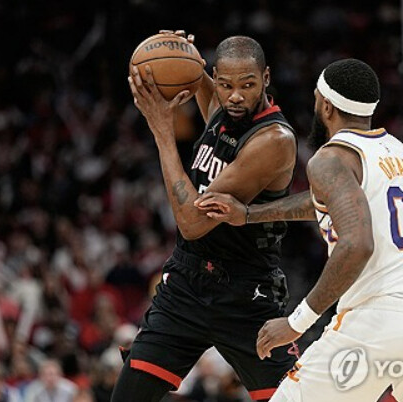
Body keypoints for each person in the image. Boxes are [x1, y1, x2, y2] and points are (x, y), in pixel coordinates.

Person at [195, 59, 403, 401]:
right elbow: (332, 203)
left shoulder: (330, 159)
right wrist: (250, 214)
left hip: (380, 320)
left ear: (326, 105)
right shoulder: (398, 151)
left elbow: (357, 244)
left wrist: (296, 322)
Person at [115, 32, 297, 402]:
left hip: (245, 294)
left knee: (295, 397)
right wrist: (184, 55)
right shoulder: (221, 109)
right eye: (226, 84)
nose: (235, 95)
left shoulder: (273, 140)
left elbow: (191, 222)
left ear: (266, 78)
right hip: (186, 283)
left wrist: (163, 131)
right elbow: (196, 76)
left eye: (247, 85)